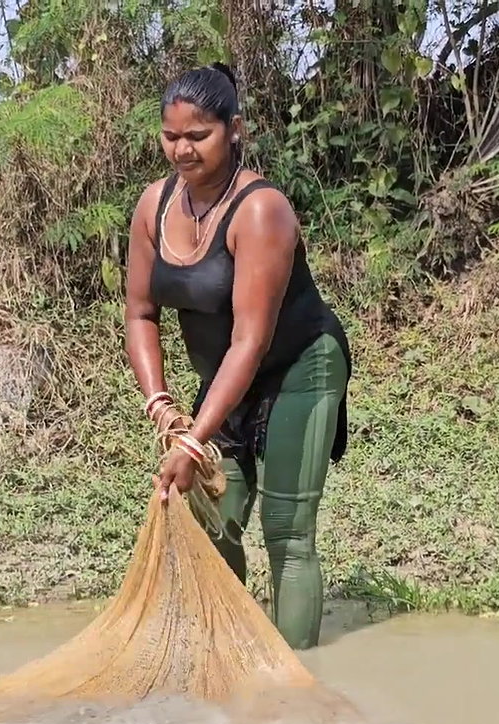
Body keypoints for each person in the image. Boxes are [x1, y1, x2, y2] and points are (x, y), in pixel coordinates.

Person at [122, 62, 353, 651]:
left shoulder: (260, 210)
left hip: (299, 367)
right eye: (171, 135)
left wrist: (193, 441)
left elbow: (251, 340)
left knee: (287, 534)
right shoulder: (153, 206)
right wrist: (163, 410)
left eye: (198, 135)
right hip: (224, 375)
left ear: (234, 130)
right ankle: (230, 661)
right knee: (210, 517)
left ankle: (295, 686)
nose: (182, 149)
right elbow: (139, 314)